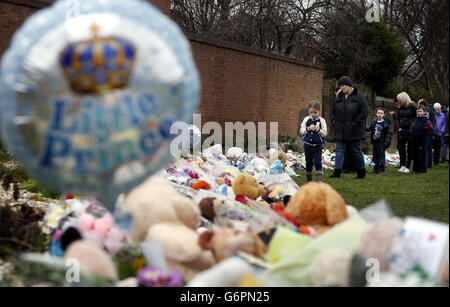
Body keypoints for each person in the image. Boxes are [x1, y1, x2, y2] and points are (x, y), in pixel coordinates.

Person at [330, 76, 368, 179]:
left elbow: (364, 112)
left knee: (356, 151)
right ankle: (337, 172)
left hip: (354, 131)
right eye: (340, 86)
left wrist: (355, 123)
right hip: (340, 130)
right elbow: (332, 111)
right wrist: (334, 122)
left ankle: (361, 171)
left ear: (349, 86)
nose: (341, 88)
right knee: (339, 150)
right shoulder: (339, 97)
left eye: (343, 86)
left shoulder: (359, 97)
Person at [300, 101, 327, 182]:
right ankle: (309, 179)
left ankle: (319, 180)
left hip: (317, 145)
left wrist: (318, 130)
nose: (313, 114)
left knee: (318, 161)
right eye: (311, 112)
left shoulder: (322, 121)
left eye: (315, 112)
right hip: (307, 145)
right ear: (309, 111)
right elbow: (301, 130)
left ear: (319, 111)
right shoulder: (306, 119)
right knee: (308, 162)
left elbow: (325, 133)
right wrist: (308, 129)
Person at [390, 92, 416, 173]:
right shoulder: (400, 108)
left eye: (399, 100)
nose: (398, 101)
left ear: (404, 99)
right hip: (402, 130)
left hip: (410, 131)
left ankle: (408, 166)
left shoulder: (413, 107)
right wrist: (399, 127)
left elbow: (416, 118)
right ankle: (403, 165)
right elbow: (397, 118)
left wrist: (412, 128)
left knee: (410, 149)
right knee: (400, 148)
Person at [366, 108, 393, 175]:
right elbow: (370, 128)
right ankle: (376, 169)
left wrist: (386, 142)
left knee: (381, 156)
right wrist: (363, 127)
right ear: (376, 114)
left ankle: (382, 170)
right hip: (375, 142)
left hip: (381, 143)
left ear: (384, 114)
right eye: (378, 113)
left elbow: (389, 134)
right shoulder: (374, 122)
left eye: (381, 113)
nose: (380, 114)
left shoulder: (385, 123)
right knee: (375, 156)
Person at [411, 105, 434, 174]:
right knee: (415, 155)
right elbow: (412, 126)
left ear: (424, 112)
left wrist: (424, 129)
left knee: (421, 156)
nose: (419, 113)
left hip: (422, 141)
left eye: (420, 111)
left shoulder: (426, 120)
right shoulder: (415, 119)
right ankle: (415, 169)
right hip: (415, 140)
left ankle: (422, 170)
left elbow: (431, 128)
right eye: (417, 111)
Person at [418, 99, 436, 169]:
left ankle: (425, 164)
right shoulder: (431, 109)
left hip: (427, 131)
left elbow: (424, 120)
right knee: (429, 148)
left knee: (426, 148)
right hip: (431, 131)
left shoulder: (427, 110)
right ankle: (429, 165)